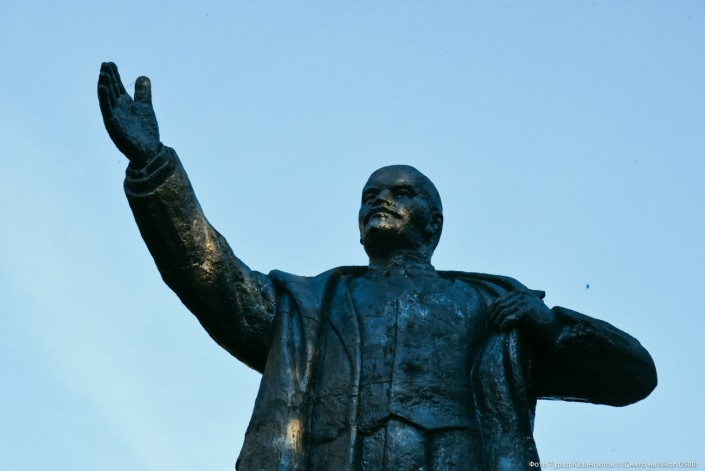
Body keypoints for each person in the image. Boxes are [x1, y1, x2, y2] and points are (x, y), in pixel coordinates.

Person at [98, 62, 657, 470]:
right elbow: (212, 277)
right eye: (369, 195)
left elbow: (633, 377)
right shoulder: (312, 303)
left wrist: (551, 328)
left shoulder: (493, 303)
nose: (380, 200)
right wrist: (154, 165)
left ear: (433, 224)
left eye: (400, 193)